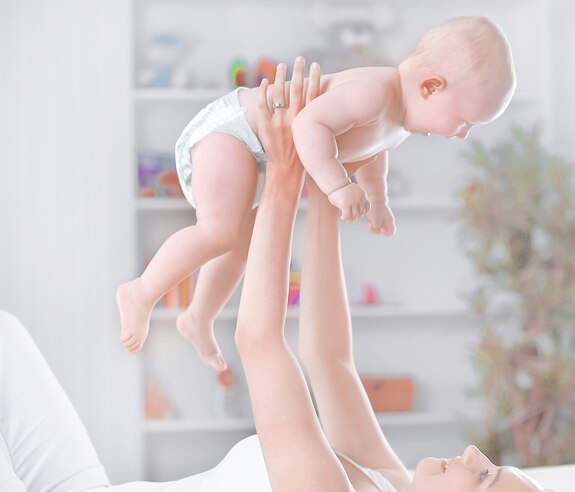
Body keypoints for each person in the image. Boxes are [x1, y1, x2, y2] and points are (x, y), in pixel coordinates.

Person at [3, 61, 574, 492]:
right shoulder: (385, 486)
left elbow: (259, 339)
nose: (474, 452)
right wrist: (331, 166)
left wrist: (283, 172)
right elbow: (330, 358)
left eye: (485, 474)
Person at [116, 16, 517, 373]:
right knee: (218, 232)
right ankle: (141, 292)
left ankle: (198, 316)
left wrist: (377, 199)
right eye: (465, 122)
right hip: (232, 130)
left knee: (239, 243)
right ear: (431, 87)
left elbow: (373, 153)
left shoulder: (400, 120)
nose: (462, 134)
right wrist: (338, 184)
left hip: (255, 151)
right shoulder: (372, 92)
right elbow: (309, 126)